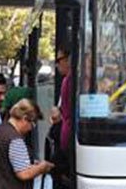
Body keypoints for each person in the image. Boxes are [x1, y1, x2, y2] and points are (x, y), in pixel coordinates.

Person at [0, 99, 54, 188]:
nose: (31, 129)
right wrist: (42, 167)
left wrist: (31, 164)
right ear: (25, 118)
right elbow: (24, 173)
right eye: (33, 124)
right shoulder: (15, 139)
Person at [49, 47, 73, 188]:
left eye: (59, 60)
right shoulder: (67, 80)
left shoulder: (70, 80)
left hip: (67, 147)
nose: (57, 65)